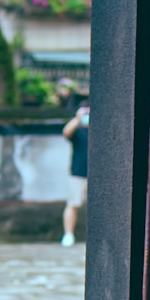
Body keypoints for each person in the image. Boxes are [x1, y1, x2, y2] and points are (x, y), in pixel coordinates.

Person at [61, 100, 89, 246]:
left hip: (96, 177)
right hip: (77, 173)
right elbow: (66, 132)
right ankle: (68, 234)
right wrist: (78, 118)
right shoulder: (77, 130)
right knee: (73, 203)